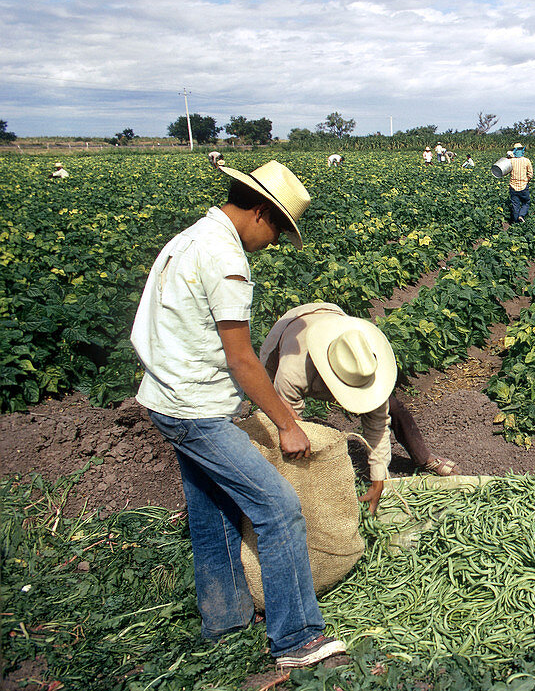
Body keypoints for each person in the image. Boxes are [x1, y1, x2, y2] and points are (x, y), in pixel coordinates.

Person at [129, 160, 346, 670]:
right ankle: (297, 639)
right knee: (278, 506)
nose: (272, 242)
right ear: (260, 212)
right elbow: (242, 356)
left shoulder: (191, 237)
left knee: (212, 511)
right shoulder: (227, 257)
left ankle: (224, 622)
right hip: (195, 409)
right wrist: (286, 423)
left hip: (165, 396)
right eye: (277, 230)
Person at [259, 303, 458, 513]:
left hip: (333, 321)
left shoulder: (362, 359)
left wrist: (378, 478)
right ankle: (281, 483)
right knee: (282, 423)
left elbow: (378, 425)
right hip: (292, 331)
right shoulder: (292, 371)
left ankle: (423, 458)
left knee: (392, 406)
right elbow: (290, 424)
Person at [506, 142, 534, 224]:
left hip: (513, 186)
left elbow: (504, 171)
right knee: (526, 202)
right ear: (522, 150)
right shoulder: (526, 160)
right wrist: (526, 180)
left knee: (515, 205)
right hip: (523, 186)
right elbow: (530, 174)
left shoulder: (510, 161)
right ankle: (521, 215)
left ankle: (515, 222)